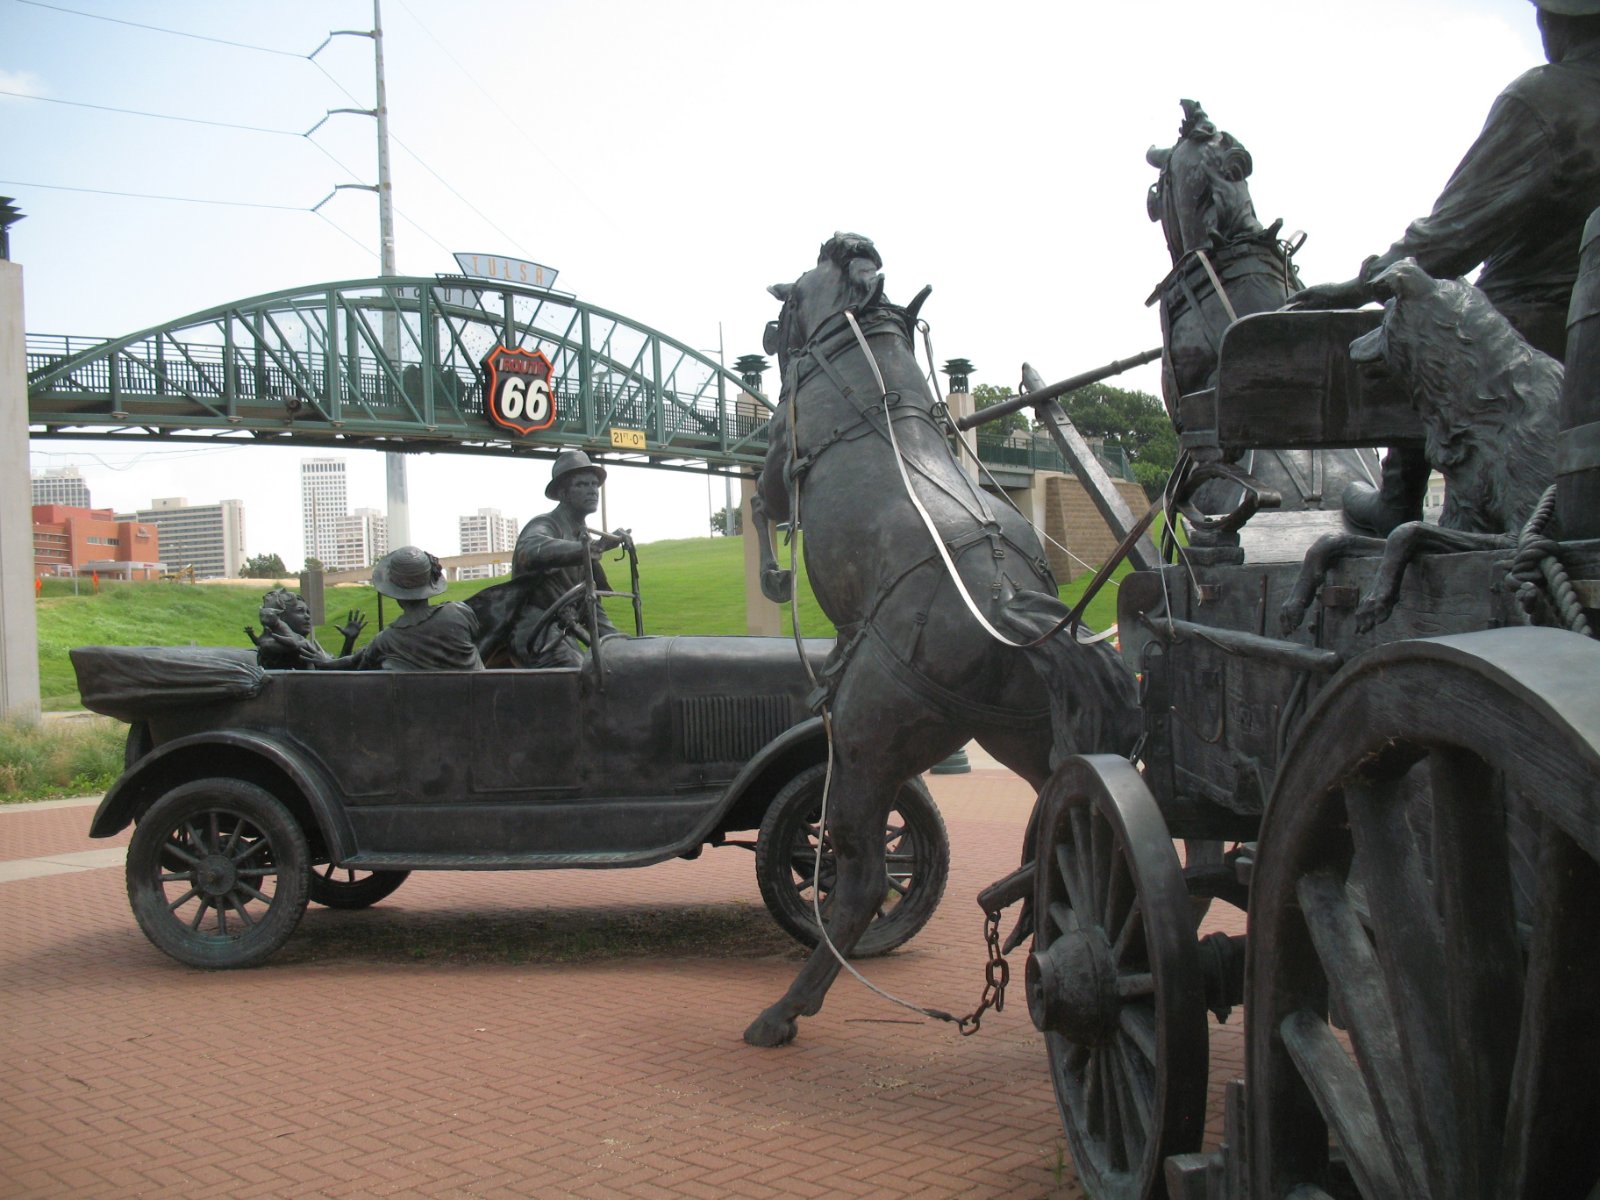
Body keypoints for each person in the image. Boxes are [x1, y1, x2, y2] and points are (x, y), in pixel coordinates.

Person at [1290, 0, 1600, 533]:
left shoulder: (1544, 100)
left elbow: (1447, 242)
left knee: (1425, 310)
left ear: (1556, 20)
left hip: (1529, 341)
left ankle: (1398, 498)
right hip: (1581, 345)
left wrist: (1357, 286)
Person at [508, 450, 627, 668]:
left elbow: (590, 606)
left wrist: (621, 646)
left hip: (562, 629)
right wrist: (593, 547)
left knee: (619, 663)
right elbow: (529, 549)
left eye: (594, 484)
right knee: (577, 671)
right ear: (563, 493)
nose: (592, 490)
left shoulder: (581, 533)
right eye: (582, 484)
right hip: (535, 631)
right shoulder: (545, 525)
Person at [317, 546, 484, 672]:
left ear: (395, 592)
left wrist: (328, 661)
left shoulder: (386, 641)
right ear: (430, 583)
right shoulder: (459, 613)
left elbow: (354, 664)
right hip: (478, 702)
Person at [249, 588, 365, 669]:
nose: (308, 616)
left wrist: (349, 641)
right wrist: (358, 656)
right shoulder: (281, 646)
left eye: (308, 612)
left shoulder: (301, 642)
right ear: (281, 616)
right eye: (300, 611)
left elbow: (336, 673)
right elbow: (332, 669)